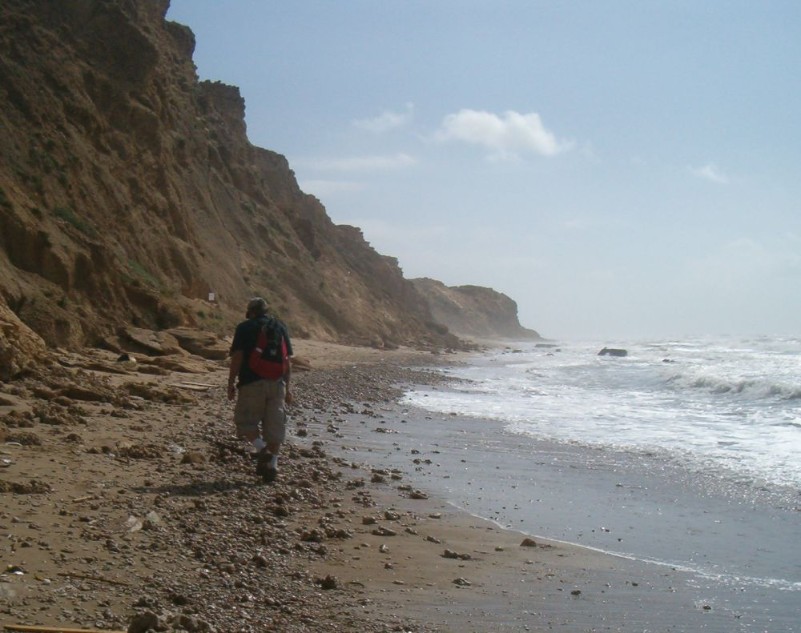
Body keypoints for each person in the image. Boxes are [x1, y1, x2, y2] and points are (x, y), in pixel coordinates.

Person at [227, 297, 293, 482]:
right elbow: (287, 361)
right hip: (277, 384)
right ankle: (272, 466)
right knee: (275, 427)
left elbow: (238, 357)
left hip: (252, 383)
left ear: (251, 312)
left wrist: (231, 383)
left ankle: (261, 448)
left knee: (245, 421)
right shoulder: (280, 327)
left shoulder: (244, 327)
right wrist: (288, 388)